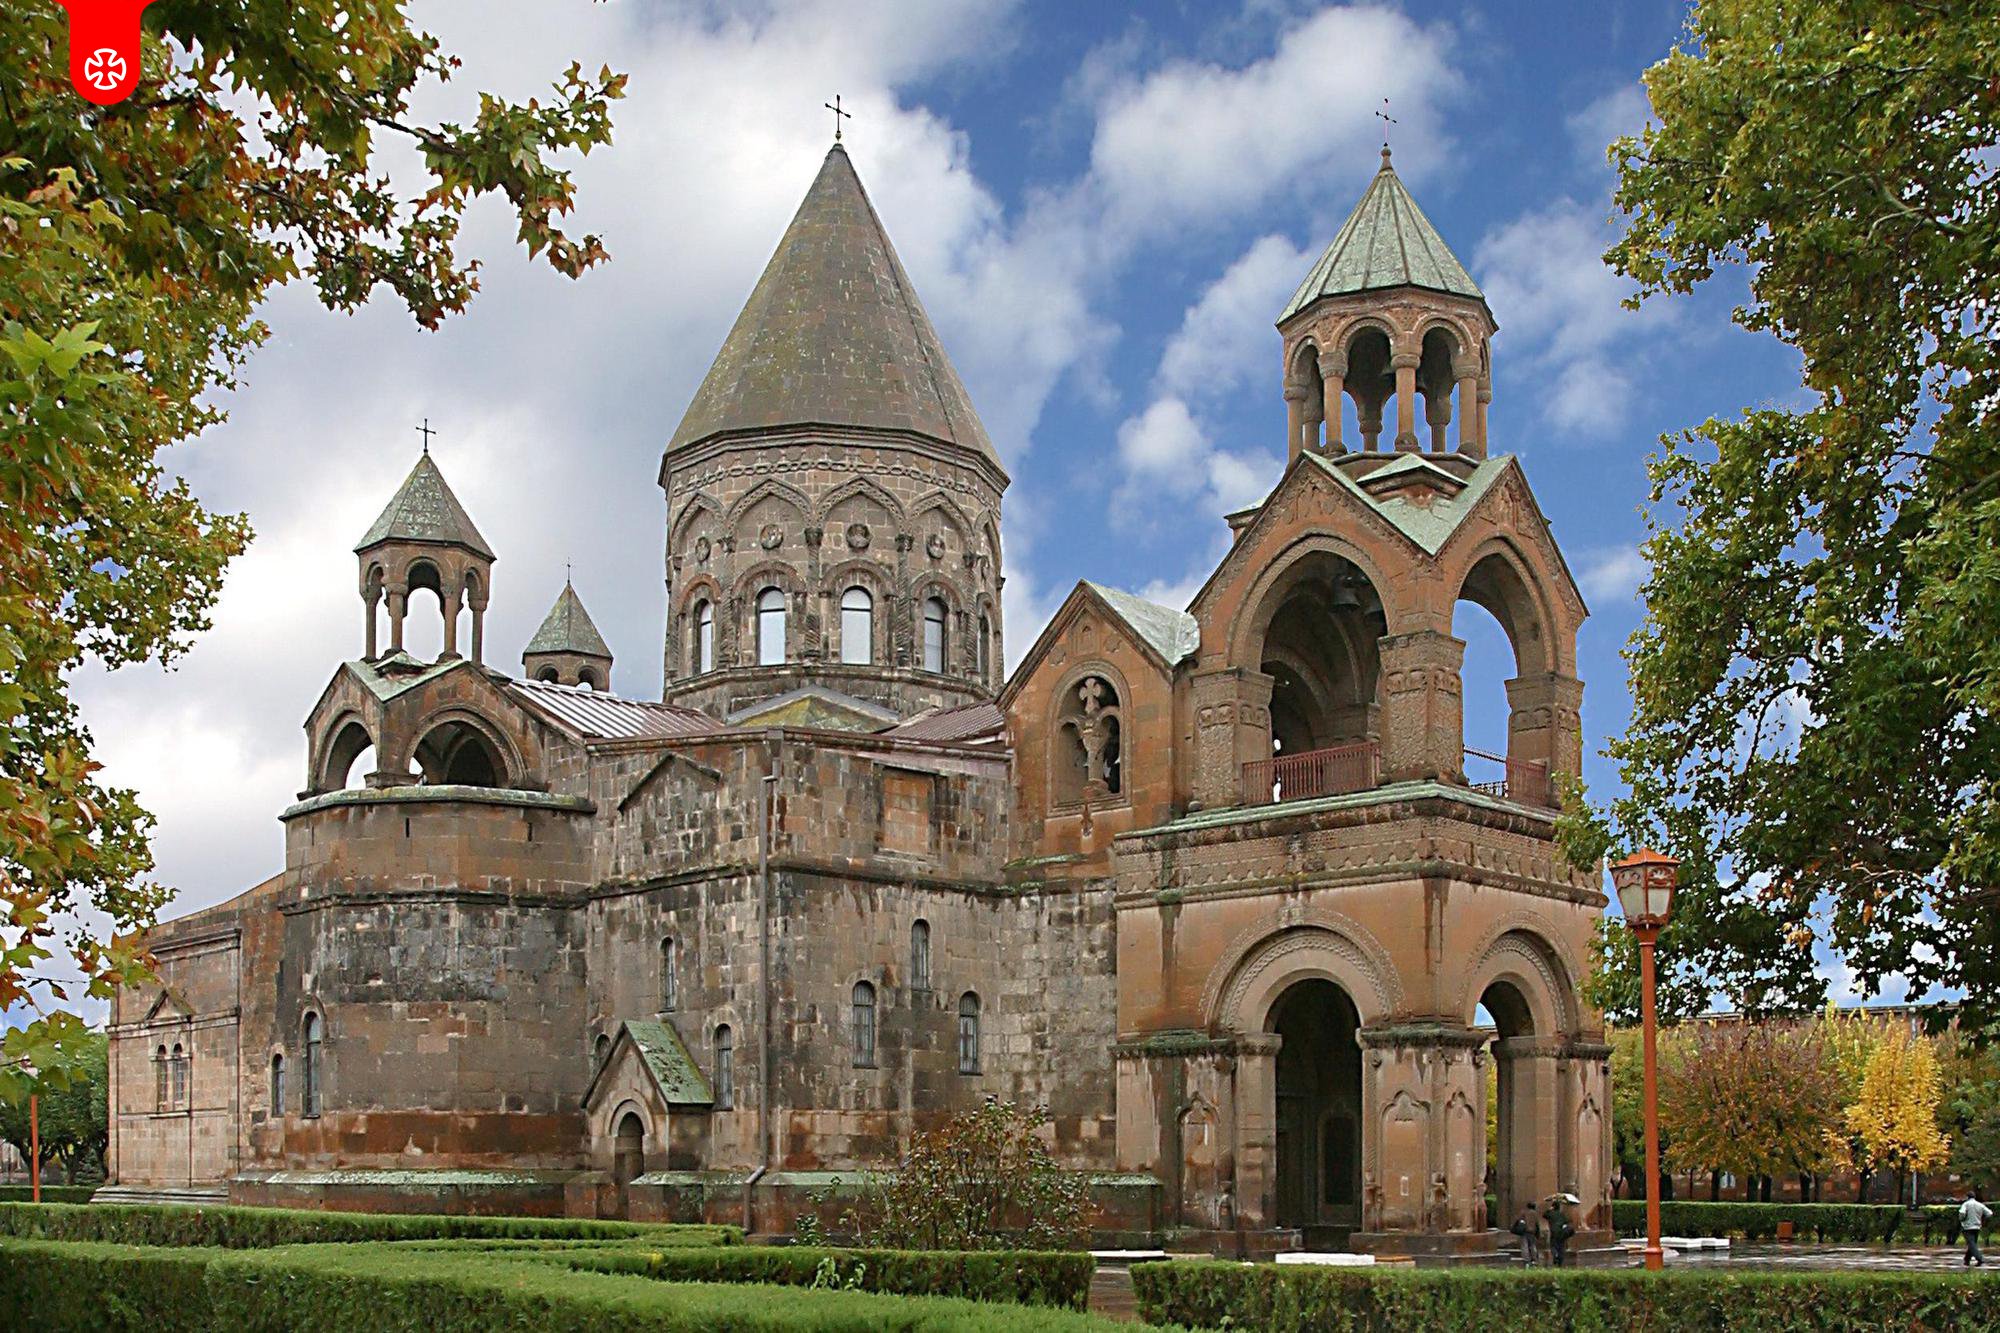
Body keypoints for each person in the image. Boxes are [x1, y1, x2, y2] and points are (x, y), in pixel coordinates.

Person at [1961, 1187, 1992, 1267]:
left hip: (1967, 1227)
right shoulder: (1980, 1205)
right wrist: (1983, 1219)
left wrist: (1962, 1219)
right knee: (1972, 1244)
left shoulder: (1966, 1204)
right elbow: (1989, 1213)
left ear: (1967, 1197)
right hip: (1977, 1227)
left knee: (1971, 1244)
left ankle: (1980, 1259)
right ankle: (1966, 1260)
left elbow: (1962, 1213)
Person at [1543, 1197, 1575, 1269]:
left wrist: (1549, 1209)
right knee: (1561, 1247)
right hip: (1562, 1233)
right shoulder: (1561, 1214)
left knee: (1553, 1246)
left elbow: (1544, 1215)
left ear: (1553, 1206)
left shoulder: (1551, 1214)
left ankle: (1555, 1255)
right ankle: (1560, 1260)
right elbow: (1567, 1221)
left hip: (1554, 1232)